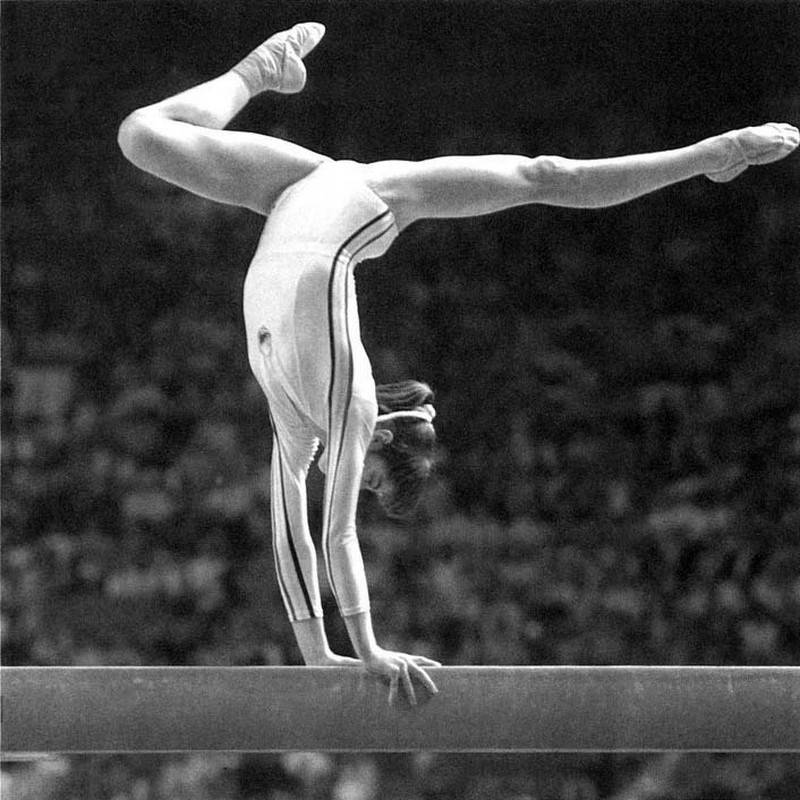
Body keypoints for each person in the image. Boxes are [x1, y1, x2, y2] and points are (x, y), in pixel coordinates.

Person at [117, 21, 799, 704]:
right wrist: (368, 648)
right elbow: (336, 531)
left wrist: (318, 654)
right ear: (383, 437)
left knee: (141, 135)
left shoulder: (299, 426)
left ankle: (261, 72)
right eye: (373, 480)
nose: (357, 485)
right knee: (544, 175)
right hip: (376, 197)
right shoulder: (353, 409)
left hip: (295, 194)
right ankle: (712, 153)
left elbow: (289, 528)